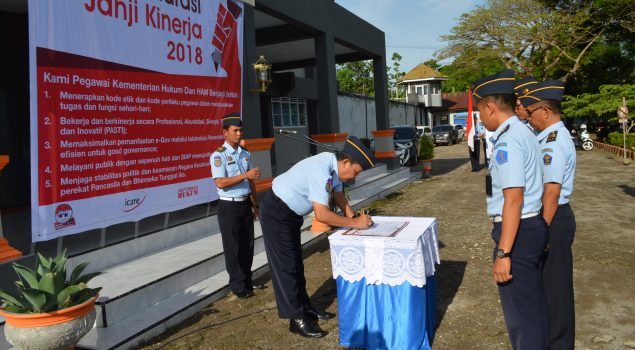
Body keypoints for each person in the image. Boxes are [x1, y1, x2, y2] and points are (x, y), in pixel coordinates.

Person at [259, 136, 375, 338]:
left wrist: (354, 216)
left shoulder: (334, 166)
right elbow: (321, 214)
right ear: (346, 162)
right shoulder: (321, 170)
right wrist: (356, 224)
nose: (354, 177)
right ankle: (296, 319)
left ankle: (305, 307)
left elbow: (338, 195)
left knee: (296, 263)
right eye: (355, 172)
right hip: (276, 212)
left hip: (291, 214)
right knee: (286, 266)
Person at [471, 69, 549, 350]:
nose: (480, 119)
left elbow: (513, 199)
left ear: (490, 107)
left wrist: (503, 253)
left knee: (522, 319)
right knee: (534, 310)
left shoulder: (508, 140)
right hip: (529, 226)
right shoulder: (522, 131)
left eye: (480, 112)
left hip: (518, 231)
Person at [524, 80, 577, 350]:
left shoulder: (553, 142)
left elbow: (552, 192)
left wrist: (541, 228)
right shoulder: (547, 137)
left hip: (553, 217)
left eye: (530, 112)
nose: (529, 119)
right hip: (550, 215)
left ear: (545, 111)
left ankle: (560, 344)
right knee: (547, 285)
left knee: (556, 289)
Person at [210, 112, 262, 299]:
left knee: (248, 245)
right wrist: (245, 176)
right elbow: (220, 183)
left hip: (244, 204)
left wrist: (255, 205)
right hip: (228, 206)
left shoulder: (244, 153)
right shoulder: (218, 155)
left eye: (240, 130)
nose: (239, 134)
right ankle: (238, 285)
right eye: (235, 131)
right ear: (225, 133)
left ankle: (247, 281)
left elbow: (251, 182)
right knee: (234, 247)